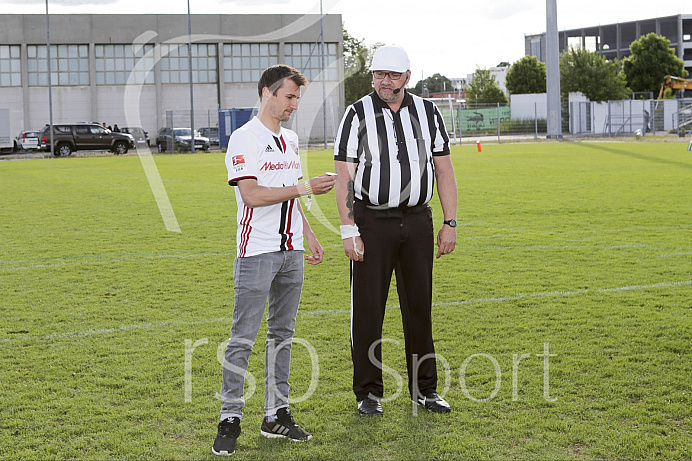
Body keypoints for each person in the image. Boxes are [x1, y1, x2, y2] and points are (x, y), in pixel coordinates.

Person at [212, 64, 336, 456]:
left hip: (291, 251)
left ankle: (275, 415)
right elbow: (252, 195)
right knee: (242, 340)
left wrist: (309, 235)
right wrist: (305, 185)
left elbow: (292, 198)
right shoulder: (243, 138)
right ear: (267, 93)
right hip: (257, 251)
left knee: (282, 335)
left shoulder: (293, 140)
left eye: (298, 98)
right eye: (289, 96)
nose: (294, 105)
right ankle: (229, 419)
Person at [334, 45, 458, 416]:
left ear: (407, 76)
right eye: (378, 74)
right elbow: (344, 176)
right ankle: (368, 393)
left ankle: (425, 390)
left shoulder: (428, 111)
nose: (383, 81)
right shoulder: (356, 114)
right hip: (372, 222)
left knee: (419, 307)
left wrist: (450, 222)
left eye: (391, 75)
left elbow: (444, 170)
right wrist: (347, 228)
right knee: (368, 310)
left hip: (418, 220)